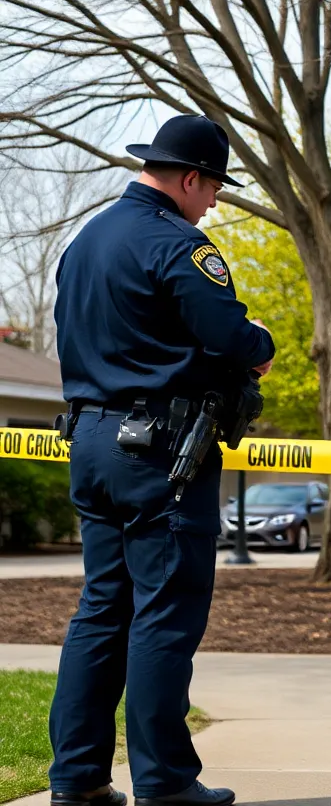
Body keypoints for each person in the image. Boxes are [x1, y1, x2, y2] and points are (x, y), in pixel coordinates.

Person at [47, 114, 275, 806]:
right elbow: (232, 338)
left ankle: (78, 779)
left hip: (89, 441)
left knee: (101, 610)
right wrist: (255, 339)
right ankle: (166, 783)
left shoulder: (85, 242)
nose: (214, 204)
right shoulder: (178, 245)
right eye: (213, 190)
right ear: (189, 178)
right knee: (164, 614)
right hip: (158, 454)